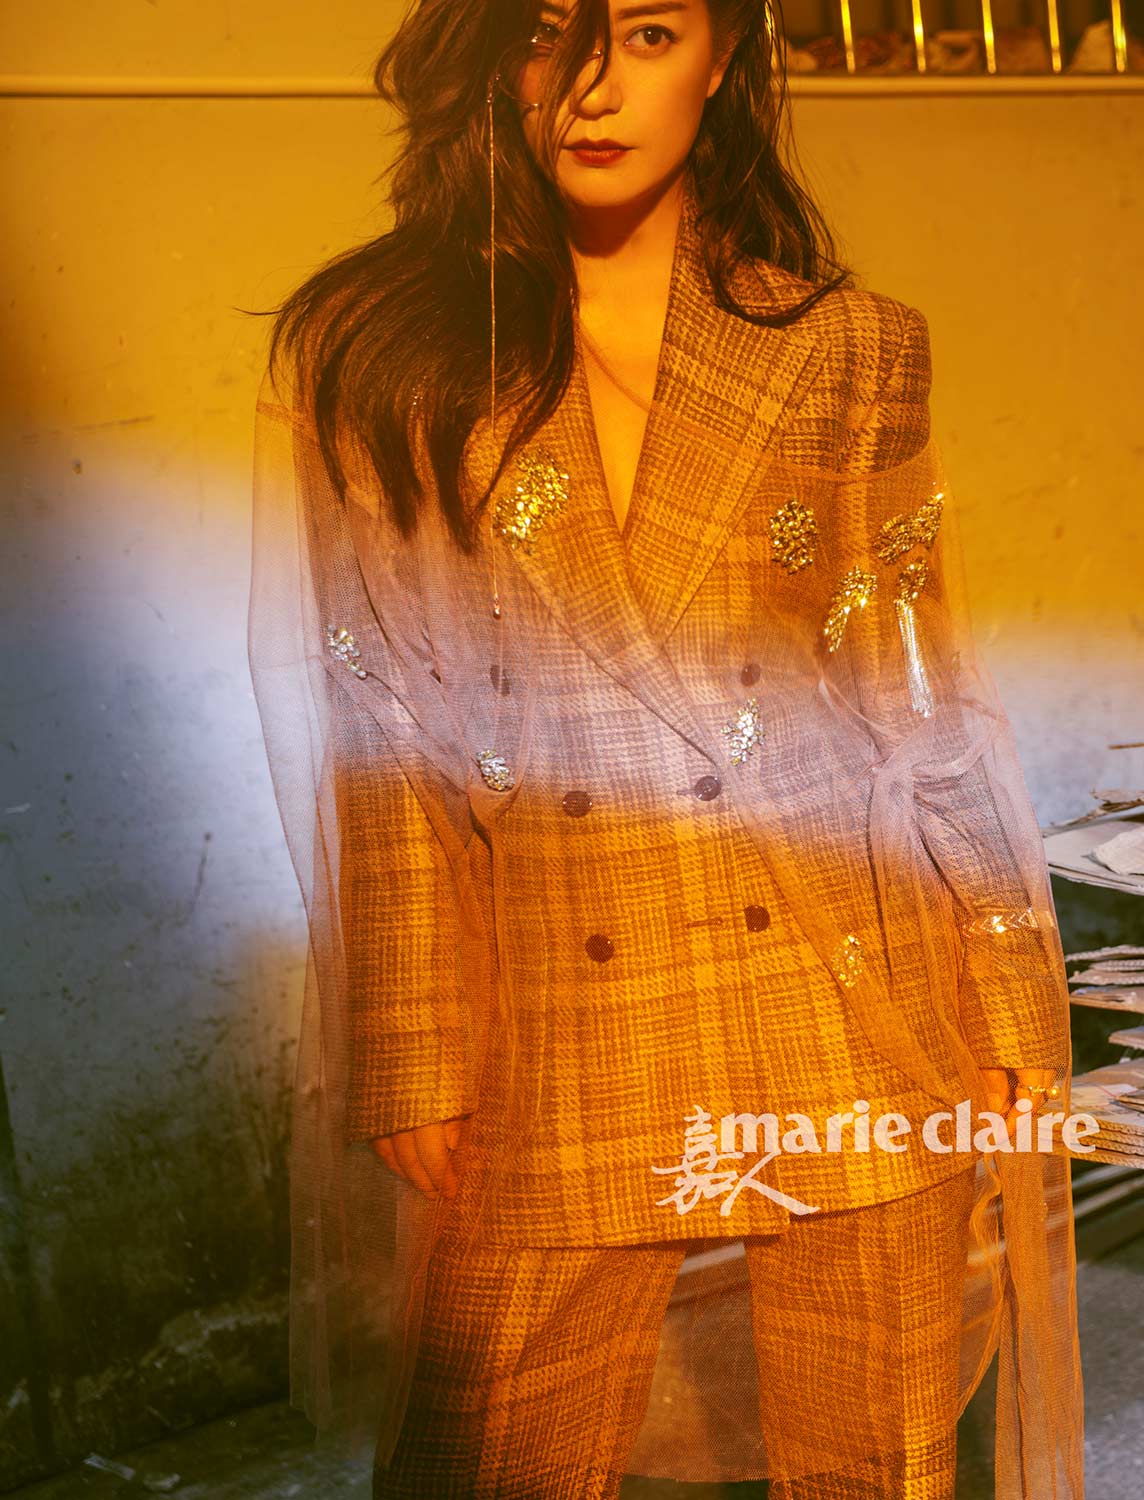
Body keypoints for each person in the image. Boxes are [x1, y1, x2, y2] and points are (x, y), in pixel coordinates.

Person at [245, 1, 1086, 1495]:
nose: (592, 88)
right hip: (562, 1002)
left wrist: (1012, 973)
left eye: (644, 33)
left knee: (878, 1454)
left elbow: (916, 681)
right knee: (486, 1450)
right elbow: (381, 713)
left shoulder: (845, 345)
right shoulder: (388, 356)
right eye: (547, 34)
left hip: (848, 980)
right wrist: (417, 1040)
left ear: (723, 55)